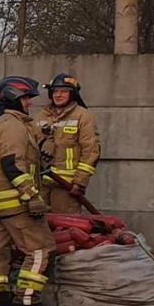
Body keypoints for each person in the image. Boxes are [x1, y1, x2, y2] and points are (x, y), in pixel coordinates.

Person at [0, 76, 56, 306]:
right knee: (40, 248)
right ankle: (27, 300)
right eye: (25, 98)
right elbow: (12, 164)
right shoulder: (12, 125)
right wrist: (31, 195)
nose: (29, 103)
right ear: (13, 98)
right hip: (16, 202)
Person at [35, 72, 101, 213]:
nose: (58, 95)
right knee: (39, 228)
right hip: (41, 185)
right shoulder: (41, 116)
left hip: (66, 186)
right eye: (55, 91)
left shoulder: (83, 116)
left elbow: (91, 151)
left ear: (72, 94)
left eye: (64, 91)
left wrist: (80, 182)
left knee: (65, 227)